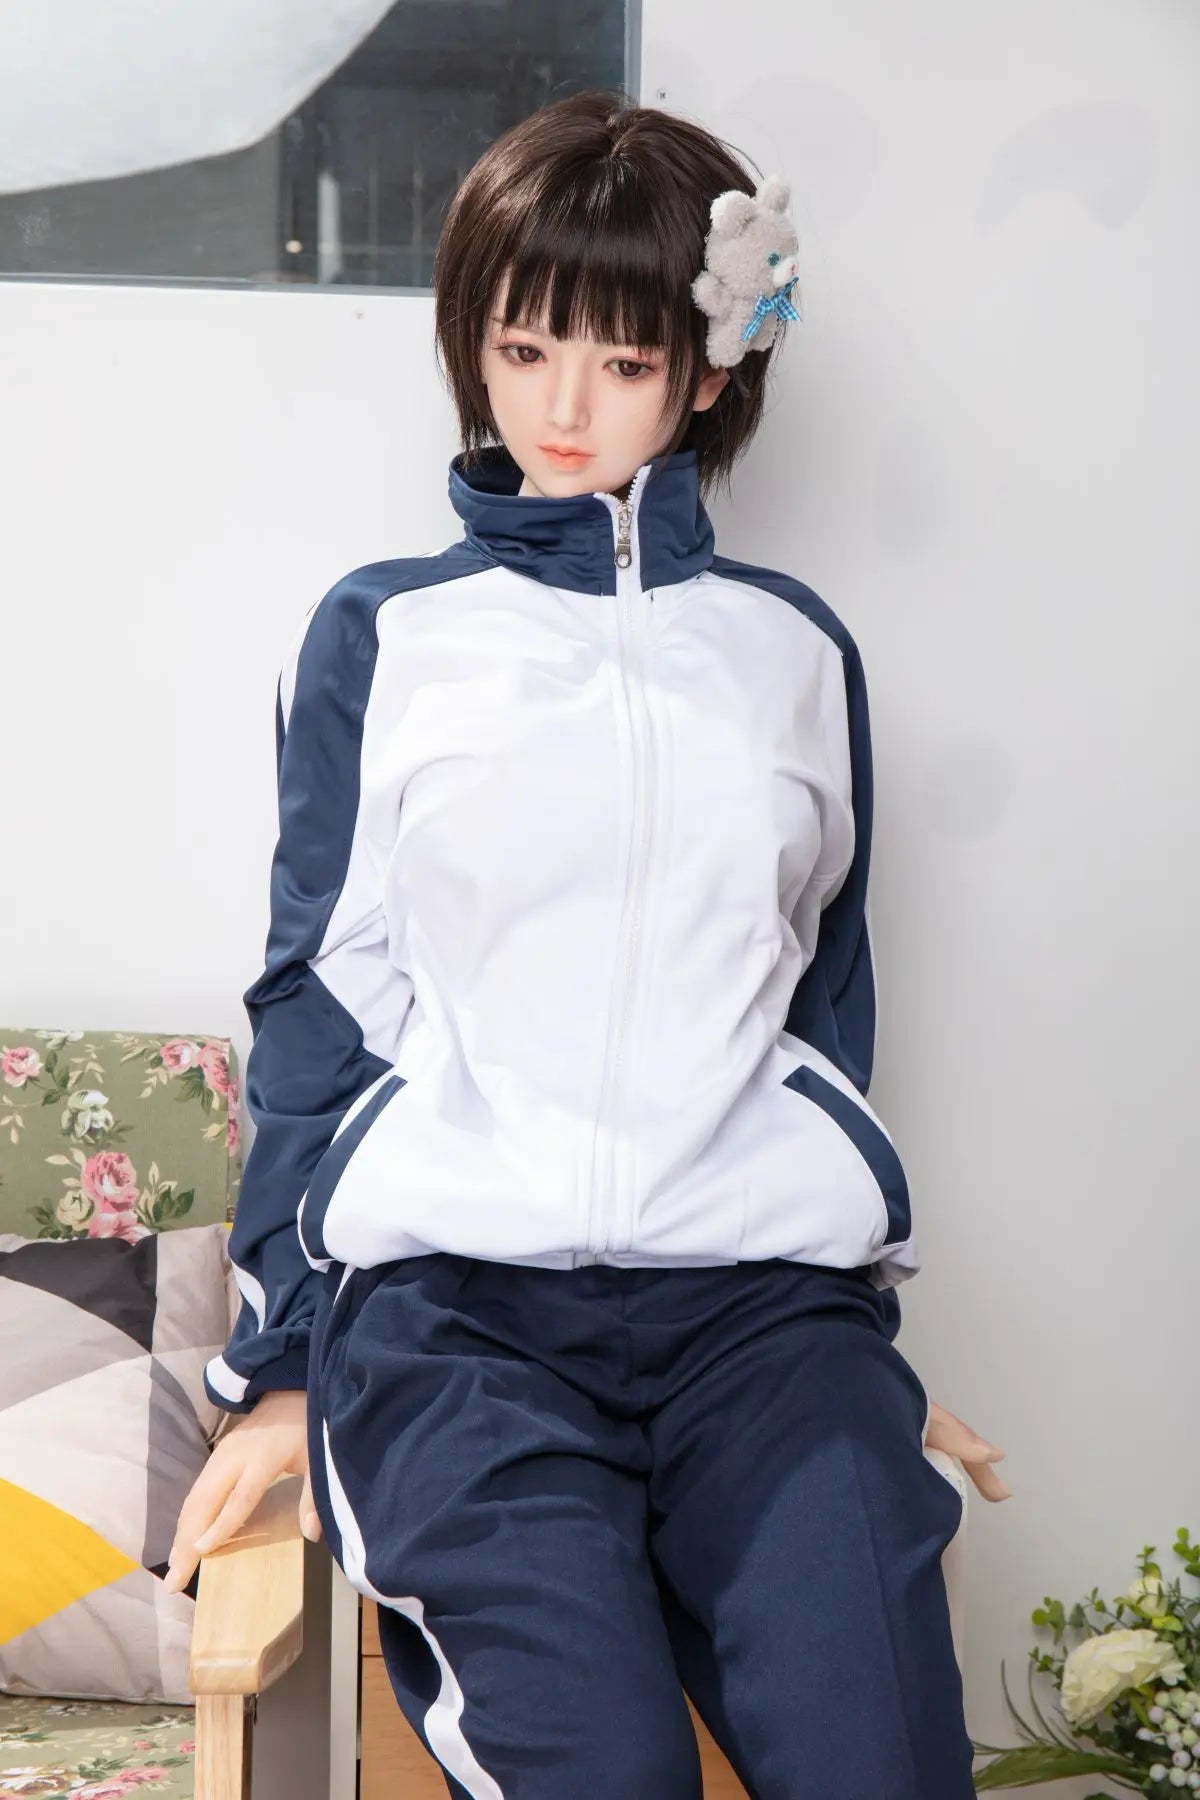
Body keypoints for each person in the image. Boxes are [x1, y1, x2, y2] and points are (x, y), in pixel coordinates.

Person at [165, 87, 1011, 1798]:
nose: (562, 408)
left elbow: (814, 1005)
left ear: (707, 373)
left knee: (878, 1748)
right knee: (604, 1769)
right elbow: (320, 1000)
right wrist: (283, 1369)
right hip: (459, 1324)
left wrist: (852, 1340)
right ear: (472, 343)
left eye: (622, 362)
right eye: (523, 347)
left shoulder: (796, 655)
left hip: (760, 1326)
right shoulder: (385, 636)